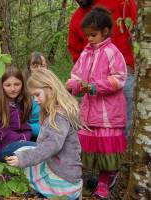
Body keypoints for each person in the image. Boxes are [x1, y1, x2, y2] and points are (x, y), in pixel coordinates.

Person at [66, 7, 127, 199]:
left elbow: (119, 78)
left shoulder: (112, 52)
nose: (89, 39)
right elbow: (75, 75)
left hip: (108, 113)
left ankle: (104, 184)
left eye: (93, 35)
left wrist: (94, 87)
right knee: (84, 150)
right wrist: (74, 85)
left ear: (106, 31)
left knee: (106, 153)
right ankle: (79, 183)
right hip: (88, 113)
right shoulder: (85, 54)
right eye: (87, 35)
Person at [5, 68, 83, 200]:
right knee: (25, 150)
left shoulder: (59, 116)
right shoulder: (54, 111)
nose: (35, 100)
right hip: (65, 170)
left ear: (50, 89)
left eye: (37, 95)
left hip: (64, 179)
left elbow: (51, 146)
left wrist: (23, 158)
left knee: (24, 152)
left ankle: (55, 193)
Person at [68, 0, 137, 138]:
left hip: (125, 75)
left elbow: (138, 26)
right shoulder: (76, 19)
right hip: (94, 85)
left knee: (127, 125)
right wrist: (81, 80)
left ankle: (123, 157)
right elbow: (76, 52)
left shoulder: (119, 2)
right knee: (96, 127)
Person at [24, 52, 48, 141]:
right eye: (35, 66)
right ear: (29, 69)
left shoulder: (55, 88)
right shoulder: (23, 91)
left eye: (42, 66)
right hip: (31, 137)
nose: (39, 69)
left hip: (53, 136)